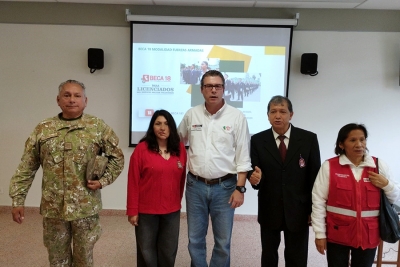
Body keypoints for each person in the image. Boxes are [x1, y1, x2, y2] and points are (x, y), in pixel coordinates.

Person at [9, 79, 125, 267]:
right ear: (58, 100)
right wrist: (17, 200)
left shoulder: (97, 127)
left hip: (85, 209)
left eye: (77, 96)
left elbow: (117, 157)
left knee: (84, 259)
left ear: (85, 101)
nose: (72, 100)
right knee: (57, 259)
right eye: (67, 95)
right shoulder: (43, 129)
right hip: (54, 209)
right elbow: (26, 167)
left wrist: (103, 180)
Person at [178, 70, 252, 267]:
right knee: (195, 239)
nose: (213, 90)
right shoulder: (191, 114)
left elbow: (243, 156)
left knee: (223, 242)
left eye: (217, 86)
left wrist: (240, 188)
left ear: (224, 89)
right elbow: (176, 141)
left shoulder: (236, 117)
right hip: (195, 186)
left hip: (226, 187)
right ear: (201, 90)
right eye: (209, 86)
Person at [311, 123, 400, 266]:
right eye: (353, 140)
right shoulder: (329, 167)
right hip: (337, 233)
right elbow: (318, 201)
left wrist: (386, 184)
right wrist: (320, 234)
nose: (359, 144)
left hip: (368, 234)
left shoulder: (378, 166)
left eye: (362, 139)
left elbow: (395, 198)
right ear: (341, 144)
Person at [248, 95, 321, 267]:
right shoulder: (258, 140)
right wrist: (254, 178)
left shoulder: (308, 139)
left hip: (298, 208)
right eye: (273, 112)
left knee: (297, 255)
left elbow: (315, 177)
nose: (278, 116)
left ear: (291, 114)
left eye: (282, 111)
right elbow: (254, 172)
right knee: (269, 255)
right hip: (269, 206)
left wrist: (313, 210)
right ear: (268, 115)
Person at [126, 109, 187, 267]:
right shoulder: (142, 149)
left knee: (168, 250)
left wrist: (176, 202)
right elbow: (133, 181)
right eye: (158, 123)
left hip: (171, 210)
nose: (162, 127)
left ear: (171, 127)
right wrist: (133, 211)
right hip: (146, 211)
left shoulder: (179, 149)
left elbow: (181, 181)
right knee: (146, 250)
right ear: (152, 127)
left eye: (166, 124)